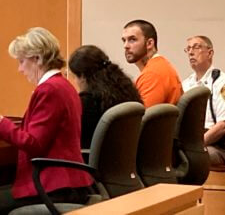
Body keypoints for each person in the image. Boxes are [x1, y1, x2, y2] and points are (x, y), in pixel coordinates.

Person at [0, 27, 92, 214]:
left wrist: (1, 122)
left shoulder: (49, 89)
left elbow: (34, 144)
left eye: (21, 61)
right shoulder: (64, 86)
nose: (20, 69)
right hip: (68, 181)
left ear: (37, 58)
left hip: (53, 185)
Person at [69, 45, 142, 149]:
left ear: (83, 76)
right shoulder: (127, 90)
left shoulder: (88, 102)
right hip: (125, 160)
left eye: (74, 77)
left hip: (92, 162)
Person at [183, 35, 225, 167]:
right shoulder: (185, 84)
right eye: (188, 49)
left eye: (196, 47)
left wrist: (197, 145)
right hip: (191, 141)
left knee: (194, 157)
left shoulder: (222, 83)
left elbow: (223, 125)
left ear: (210, 53)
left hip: (216, 144)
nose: (191, 52)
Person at [121, 19, 183, 108]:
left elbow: (141, 119)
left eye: (132, 39)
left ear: (149, 43)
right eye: (124, 40)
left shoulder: (152, 74)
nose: (125, 46)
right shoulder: (159, 65)